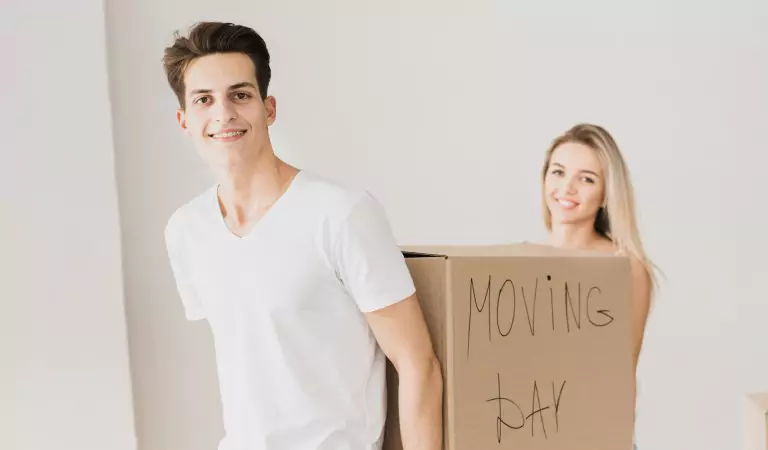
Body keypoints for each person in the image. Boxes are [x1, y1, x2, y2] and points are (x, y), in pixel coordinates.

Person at [160, 21, 442, 450]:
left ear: (268, 108)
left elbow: (417, 363)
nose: (223, 114)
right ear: (184, 120)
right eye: (204, 100)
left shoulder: (341, 214)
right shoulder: (185, 229)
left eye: (240, 94)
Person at [539, 123, 656, 449]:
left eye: (586, 178)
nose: (567, 188)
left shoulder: (625, 267)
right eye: (558, 172)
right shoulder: (523, 263)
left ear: (606, 193)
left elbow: (623, 375)